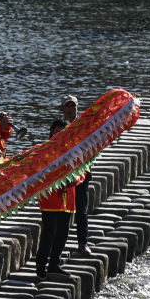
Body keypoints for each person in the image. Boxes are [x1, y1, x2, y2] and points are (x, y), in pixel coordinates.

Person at [35, 119, 79, 278]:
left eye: (64, 132)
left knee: (63, 233)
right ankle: (41, 264)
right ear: (52, 131)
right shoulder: (43, 150)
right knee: (49, 232)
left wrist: (75, 179)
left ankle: (54, 263)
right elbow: (38, 172)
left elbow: (81, 171)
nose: (60, 134)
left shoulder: (73, 150)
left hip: (69, 198)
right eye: (57, 131)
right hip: (50, 199)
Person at [59, 96, 92, 254]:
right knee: (62, 212)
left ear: (77, 108)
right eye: (67, 106)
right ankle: (58, 245)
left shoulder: (85, 125)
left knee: (81, 210)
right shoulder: (59, 127)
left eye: (73, 106)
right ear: (62, 109)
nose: (70, 109)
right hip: (62, 176)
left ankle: (82, 243)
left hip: (81, 173)